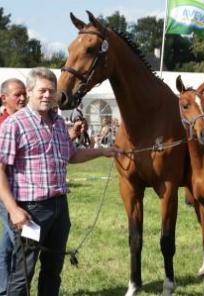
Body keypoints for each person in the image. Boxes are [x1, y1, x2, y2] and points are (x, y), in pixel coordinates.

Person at [0, 67, 122, 296]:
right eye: (42, 90)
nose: (47, 95)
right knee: (22, 275)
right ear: (29, 91)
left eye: (51, 91)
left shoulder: (57, 124)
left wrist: (103, 151)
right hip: (30, 210)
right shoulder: (13, 125)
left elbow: (72, 155)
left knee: (53, 271)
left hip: (59, 207)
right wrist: (13, 209)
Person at [0, 78, 27, 296]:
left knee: (9, 243)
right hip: (4, 191)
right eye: (17, 94)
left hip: (18, 190)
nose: (23, 98)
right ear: (4, 98)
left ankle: (3, 287)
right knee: (17, 241)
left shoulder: (23, 121)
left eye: (24, 93)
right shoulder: (4, 124)